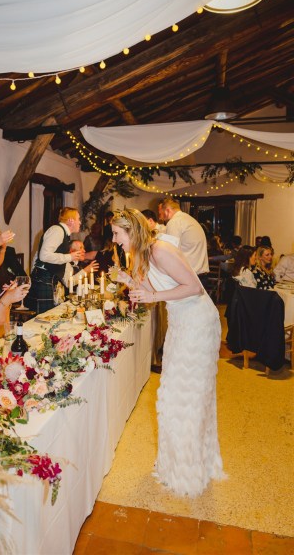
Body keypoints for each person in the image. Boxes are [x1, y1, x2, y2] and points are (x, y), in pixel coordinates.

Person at [111, 209, 223, 498]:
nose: (114, 239)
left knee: (187, 395)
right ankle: (177, 464)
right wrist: (129, 280)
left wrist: (153, 296)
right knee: (172, 394)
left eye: (116, 233)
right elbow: (150, 288)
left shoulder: (160, 250)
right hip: (180, 323)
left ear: (131, 231)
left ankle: (189, 470)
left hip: (198, 322)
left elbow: (194, 288)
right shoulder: (141, 255)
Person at [26, 207, 84, 314]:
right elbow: (44, 255)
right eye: (78, 219)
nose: (80, 222)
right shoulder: (57, 231)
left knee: (49, 318)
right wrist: (70, 257)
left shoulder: (63, 233)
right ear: (71, 220)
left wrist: (72, 259)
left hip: (48, 279)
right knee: (43, 319)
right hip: (43, 279)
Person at [159, 198, 209, 286]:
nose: (160, 217)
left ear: (167, 210)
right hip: (200, 275)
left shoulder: (174, 222)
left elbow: (170, 253)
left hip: (190, 277)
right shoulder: (189, 219)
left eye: (161, 213)